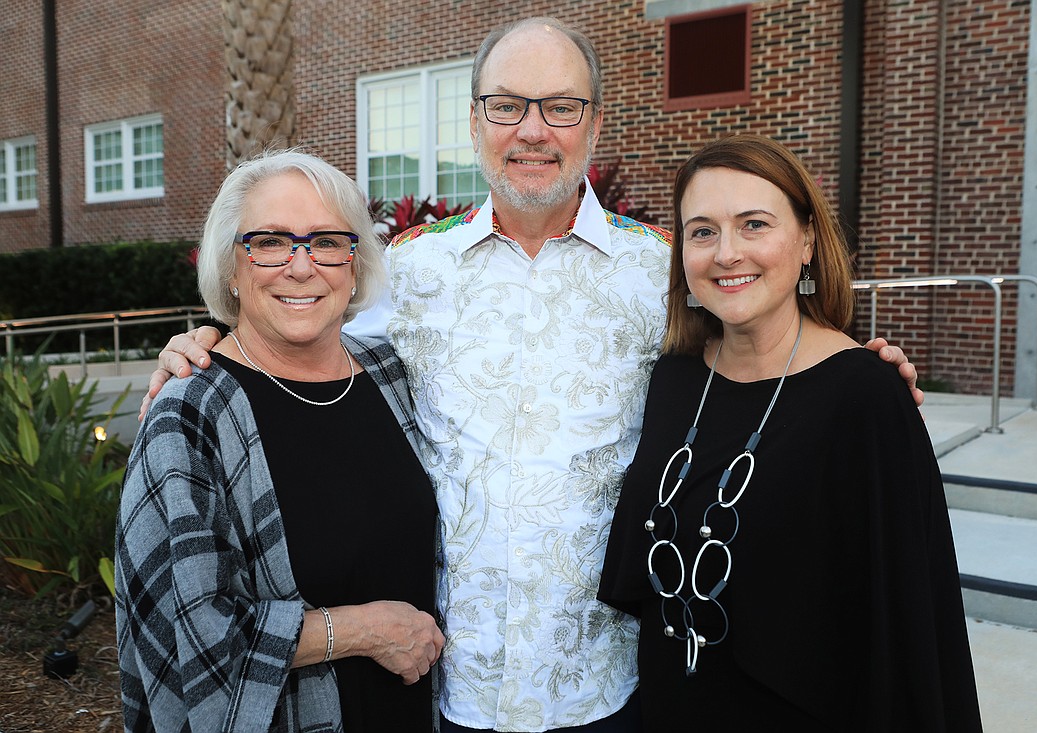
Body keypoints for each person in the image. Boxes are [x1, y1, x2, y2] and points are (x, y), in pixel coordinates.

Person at [142, 18, 922, 733]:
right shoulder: (408, 269)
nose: (533, 130)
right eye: (508, 106)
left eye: (561, 107)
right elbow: (296, 320)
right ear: (475, 122)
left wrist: (858, 373)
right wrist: (205, 343)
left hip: (606, 688)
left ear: (595, 124)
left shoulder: (659, 268)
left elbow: (761, 335)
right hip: (449, 688)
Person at [597, 134, 982, 731]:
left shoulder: (864, 396)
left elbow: (907, 618)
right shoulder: (674, 376)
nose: (726, 253)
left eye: (754, 224)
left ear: (807, 241)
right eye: (702, 231)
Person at [115, 150, 445, 733]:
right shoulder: (191, 414)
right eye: (269, 242)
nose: (301, 266)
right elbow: (189, 631)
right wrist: (362, 631)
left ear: (354, 265)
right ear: (230, 269)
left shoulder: (392, 376)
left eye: (327, 241)